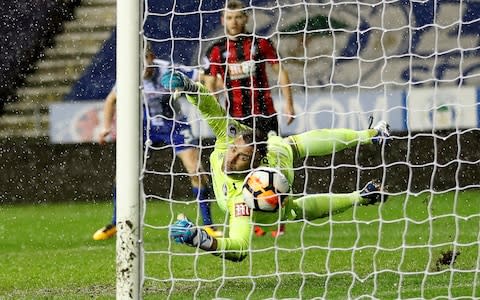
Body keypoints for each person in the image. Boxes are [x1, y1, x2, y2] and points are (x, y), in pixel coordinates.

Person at [161, 70, 392, 262]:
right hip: (274, 150)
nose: (230, 160)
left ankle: (361, 190)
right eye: (234, 150)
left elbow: (239, 248)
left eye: (241, 158)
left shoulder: (245, 198)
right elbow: (209, 106)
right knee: (291, 145)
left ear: (254, 164)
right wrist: (189, 86)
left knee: (293, 209)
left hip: (276, 185)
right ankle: (371, 138)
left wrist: (198, 238)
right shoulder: (228, 136)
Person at [92, 45, 222, 241]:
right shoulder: (129, 73)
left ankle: (209, 225)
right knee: (124, 175)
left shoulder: (168, 70)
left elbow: (203, 76)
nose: (140, 68)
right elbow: (111, 100)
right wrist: (105, 127)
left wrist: (214, 92)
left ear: (151, 57)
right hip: (144, 127)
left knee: (196, 170)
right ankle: (116, 223)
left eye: (143, 61)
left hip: (175, 125)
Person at [203, 0, 296, 236]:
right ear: (223, 20)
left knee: (274, 164)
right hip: (237, 119)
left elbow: (280, 71)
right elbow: (210, 83)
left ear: (246, 19)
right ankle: (253, 218)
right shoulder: (216, 51)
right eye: (229, 18)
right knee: (244, 168)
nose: (233, 22)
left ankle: (281, 219)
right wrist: (212, 104)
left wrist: (289, 104)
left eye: (238, 17)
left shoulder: (261, 44)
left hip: (265, 115)